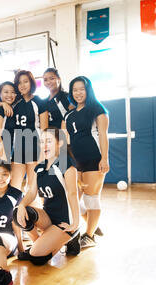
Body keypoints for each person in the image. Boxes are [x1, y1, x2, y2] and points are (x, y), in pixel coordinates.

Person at [13, 127, 80, 266]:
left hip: (64, 220)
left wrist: (75, 223)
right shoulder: (40, 167)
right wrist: (21, 205)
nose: (44, 145)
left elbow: (73, 194)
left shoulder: (66, 164)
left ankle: (71, 235)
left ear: (59, 143)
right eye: (42, 142)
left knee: (37, 258)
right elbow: (32, 192)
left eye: (48, 141)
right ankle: (41, 242)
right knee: (19, 214)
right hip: (48, 217)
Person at [62, 76, 109, 248]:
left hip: (93, 159)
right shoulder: (69, 114)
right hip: (76, 162)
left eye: (82, 89)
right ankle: (92, 225)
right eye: (75, 90)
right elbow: (66, 138)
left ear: (88, 90)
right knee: (74, 199)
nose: (78, 92)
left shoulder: (97, 109)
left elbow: (103, 135)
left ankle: (89, 236)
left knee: (91, 198)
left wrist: (104, 158)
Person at [10, 70, 48, 191]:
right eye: (19, 83)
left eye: (25, 81)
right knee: (14, 186)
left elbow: (45, 130)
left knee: (32, 186)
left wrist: (44, 153)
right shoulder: (14, 103)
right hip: (18, 149)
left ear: (31, 82)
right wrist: (4, 105)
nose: (22, 85)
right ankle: (15, 210)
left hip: (35, 147)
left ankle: (31, 210)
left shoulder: (39, 102)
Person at [0, 81, 18, 164]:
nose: (9, 95)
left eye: (12, 92)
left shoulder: (11, 108)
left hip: (8, 149)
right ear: (0, 94)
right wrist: (3, 158)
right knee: (0, 176)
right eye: (6, 92)